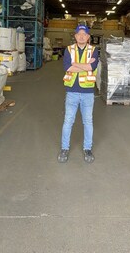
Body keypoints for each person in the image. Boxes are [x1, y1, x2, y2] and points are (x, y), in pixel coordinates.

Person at [58, 25, 99, 164]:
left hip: (87, 92)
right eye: (79, 34)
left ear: (88, 37)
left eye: (84, 34)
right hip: (72, 92)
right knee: (68, 121)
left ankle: (87, 149)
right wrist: (84, 65)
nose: (81, 36)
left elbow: (92, 67)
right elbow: (67, 67)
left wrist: (76, 64)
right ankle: (64, 148)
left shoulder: (94, 50)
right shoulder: (69, 50)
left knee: (88, 122)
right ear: (75, 36)